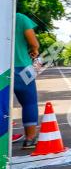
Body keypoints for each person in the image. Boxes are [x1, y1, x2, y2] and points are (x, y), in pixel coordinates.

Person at [12, 13, 40, 150]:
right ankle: (29, 139)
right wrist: (34, 49)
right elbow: (33, 42)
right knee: (29, 102)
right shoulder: (20, 18)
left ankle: (3, 137)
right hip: (23, 67)